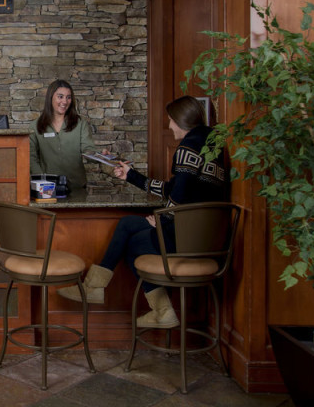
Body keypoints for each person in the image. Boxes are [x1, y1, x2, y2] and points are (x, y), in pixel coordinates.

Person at [58, 95, 227, 329]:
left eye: (171, 121)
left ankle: (99, 289)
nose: (169, 126)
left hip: (186, 239)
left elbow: (177, 197)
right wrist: (132, 176)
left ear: (181, 121)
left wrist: (162, 218)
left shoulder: (187, 147)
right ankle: (105, 292)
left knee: (131, 237)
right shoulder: (211, 144)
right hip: (208, 238)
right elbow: (178, 190)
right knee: (130, 232)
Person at [30, 80, 97, 189]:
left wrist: (101, 156)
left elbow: (88, 150)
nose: (65, 101)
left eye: (68, 97)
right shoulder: (35, 126)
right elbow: (31, 158)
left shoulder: (80, 124)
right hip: (47, 188)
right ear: (50, 97)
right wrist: (42, 181)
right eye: (60, 97)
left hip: (77, 186)